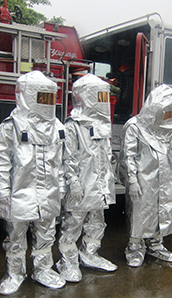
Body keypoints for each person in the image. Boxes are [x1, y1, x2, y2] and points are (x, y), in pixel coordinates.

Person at [0, 71, 66, 291]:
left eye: (49, 97)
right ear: (28, 96)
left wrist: (61, 187)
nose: (46, 103)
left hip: (49, 191)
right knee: (16, 234)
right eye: (41, 97)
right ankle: (15, 274)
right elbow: (2, 163)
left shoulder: (57, 127)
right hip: (20, 192)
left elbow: (59, 161)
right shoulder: (10, 127)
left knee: (46, 231)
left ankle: (43, 269)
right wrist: (3, 193)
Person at [56, 74, 117, 282]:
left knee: (97, 221)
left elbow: (105, 156)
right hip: (81, 185)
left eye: (104, 96)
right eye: (98, 95)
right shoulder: (73, 125)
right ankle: (67, 261)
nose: (102, 100)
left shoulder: (102, 124)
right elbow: (68, 157)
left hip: (99, 186)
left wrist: (108, 179)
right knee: (73, 223)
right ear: (85, 96)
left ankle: (90, 253)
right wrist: (72, 181)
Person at [119, 84, 172, 267]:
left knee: (161, 210)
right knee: (140, 213)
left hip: (163, 176)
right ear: (155, 110)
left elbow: (170, 151)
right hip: (143, 178)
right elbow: (128, 155)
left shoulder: (165, 128)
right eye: (166, 112)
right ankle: (134, 247)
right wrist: (132, 180)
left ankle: (156, 243)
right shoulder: (135, 126)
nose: (169, 117)